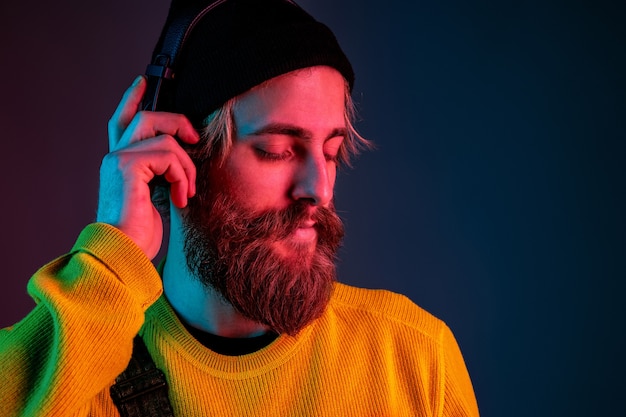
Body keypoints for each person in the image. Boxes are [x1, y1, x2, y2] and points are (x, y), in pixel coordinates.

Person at [0, 0, 479, 415]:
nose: (319, 189)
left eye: (331, 153)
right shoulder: (81, 357)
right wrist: (111, 261)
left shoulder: (414, 355)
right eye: (276, 148)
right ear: (182, 155)